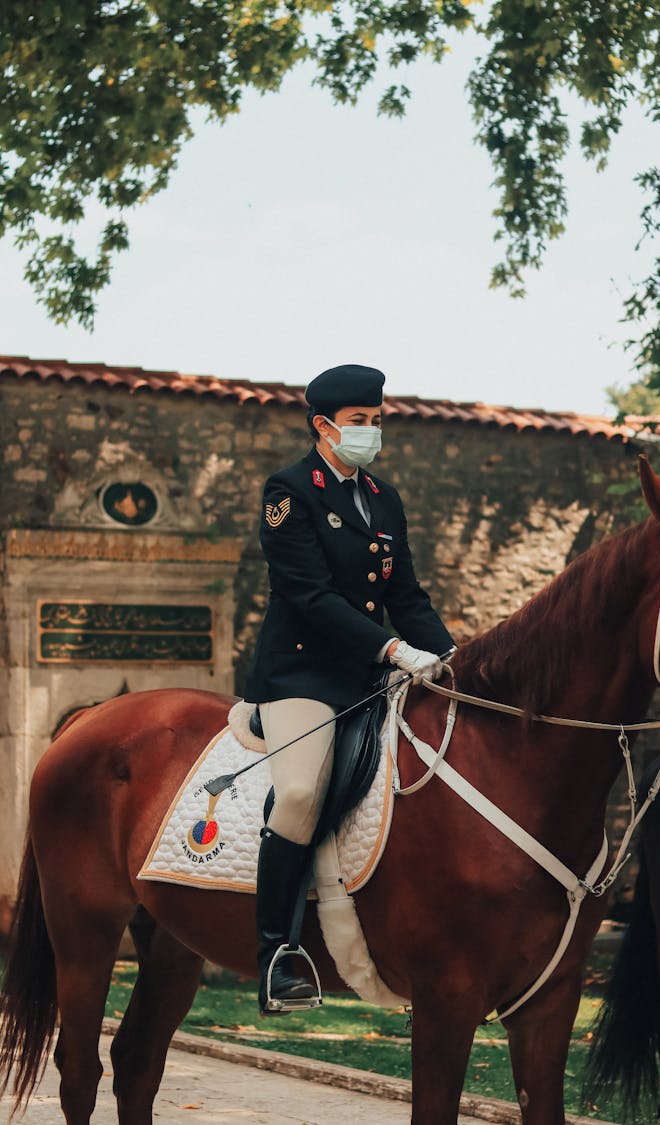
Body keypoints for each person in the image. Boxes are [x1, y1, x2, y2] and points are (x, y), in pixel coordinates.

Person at [245, 363, 455, 1014]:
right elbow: (309, 597)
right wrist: (393, 647)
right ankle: (277, 951)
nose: (373, 431)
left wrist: (452, 658)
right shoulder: (290, 491)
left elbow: (407, 596)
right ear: (324, 427)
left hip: (366, 676)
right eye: (361, 422)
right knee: (303, 789)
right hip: (302, 674)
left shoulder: (383, 498)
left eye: (377, 420)